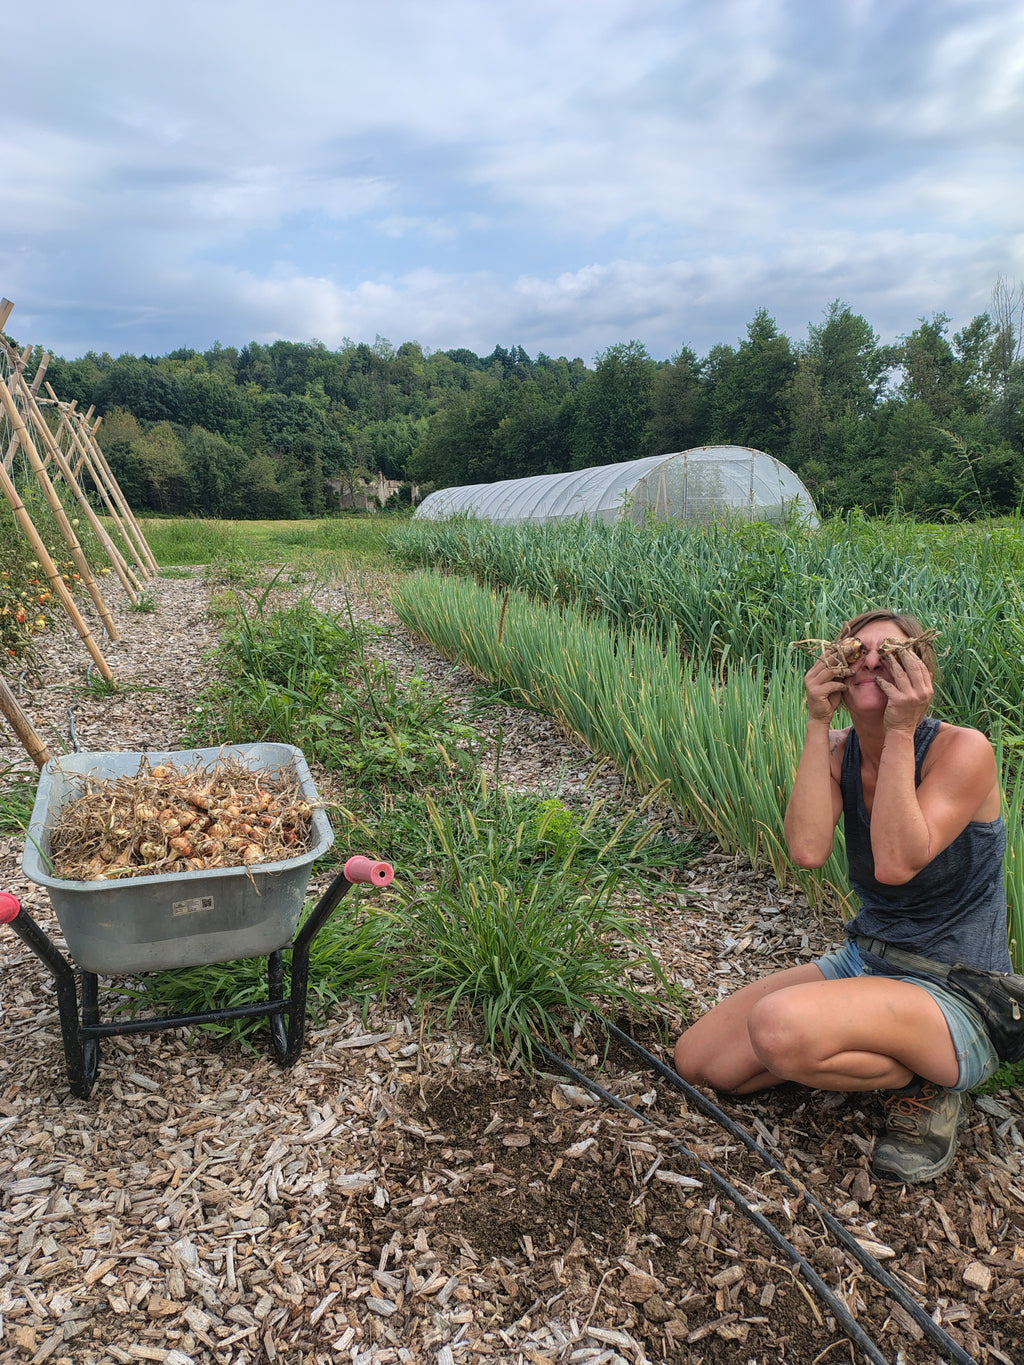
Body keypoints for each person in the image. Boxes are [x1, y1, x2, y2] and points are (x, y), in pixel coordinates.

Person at [674, 609, 1008, 1183]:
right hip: (868, 960)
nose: (873, 660)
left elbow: (897, 862)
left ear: (921, 669)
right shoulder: (837, 751)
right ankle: (867, 1049)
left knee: (779, 1027)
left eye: (893, 652)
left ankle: (929, 1081)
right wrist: (814, 722)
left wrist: (901, 730)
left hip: (958, 988)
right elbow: (806, 849)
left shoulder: (962, 750)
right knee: (699, 1062)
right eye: (858, 651)